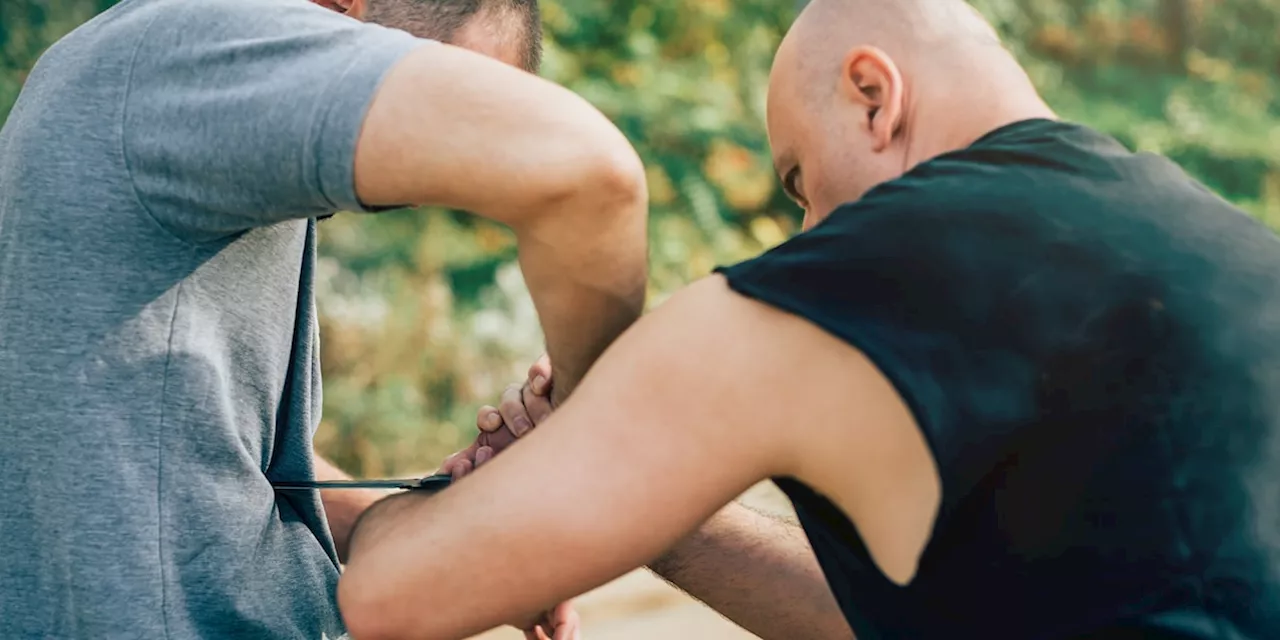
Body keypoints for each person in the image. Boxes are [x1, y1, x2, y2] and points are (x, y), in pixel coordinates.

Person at [337, 1, 1280, 639]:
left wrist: (497, 514)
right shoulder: (1230, 258)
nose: (804, 227)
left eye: (797, 179)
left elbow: (389, 599)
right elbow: (887, 614)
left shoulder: (862, 270)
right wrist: (638, 511)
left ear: (874, 96)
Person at [0, 0, 647, 638]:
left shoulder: (158, 85)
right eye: (452, 99)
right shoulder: (204, 50)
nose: (437, 185)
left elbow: (207, 458)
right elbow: (591, 167)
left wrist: (455, 537)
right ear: (335, 14)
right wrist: (589, 430)